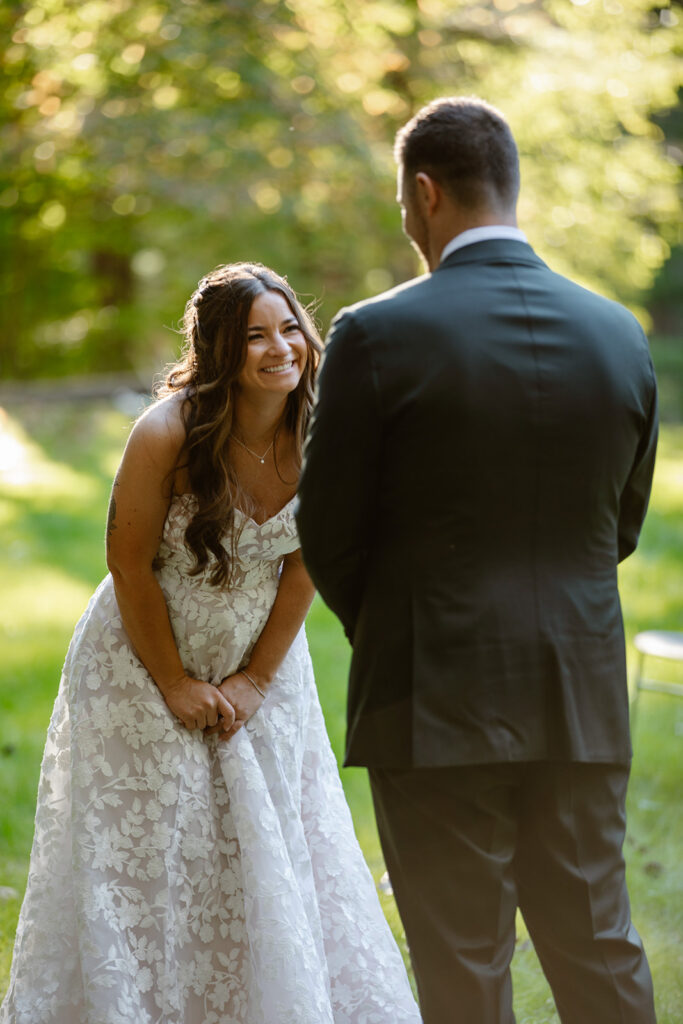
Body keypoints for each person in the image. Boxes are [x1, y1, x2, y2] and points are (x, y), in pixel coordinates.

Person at [296, 97, 658, 1023]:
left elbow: (327, 529)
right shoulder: (619, 333)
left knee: (461, 964)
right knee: (598, 946)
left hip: (430, 698)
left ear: (424, 194)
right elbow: (618, 528)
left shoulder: (376, 334)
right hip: (578, 690)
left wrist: (403, 620)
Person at [0, 263, 421, 1024]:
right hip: (138, 663)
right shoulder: (166, 432)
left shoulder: (326, 430)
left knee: (262, 848)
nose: (279, 348)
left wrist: (258, 678)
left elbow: (307, 563)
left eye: (289, 326)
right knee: (152, 853)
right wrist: (173, 683)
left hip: (264, 661)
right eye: (254, 335)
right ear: (218, 349)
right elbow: (126, 563)